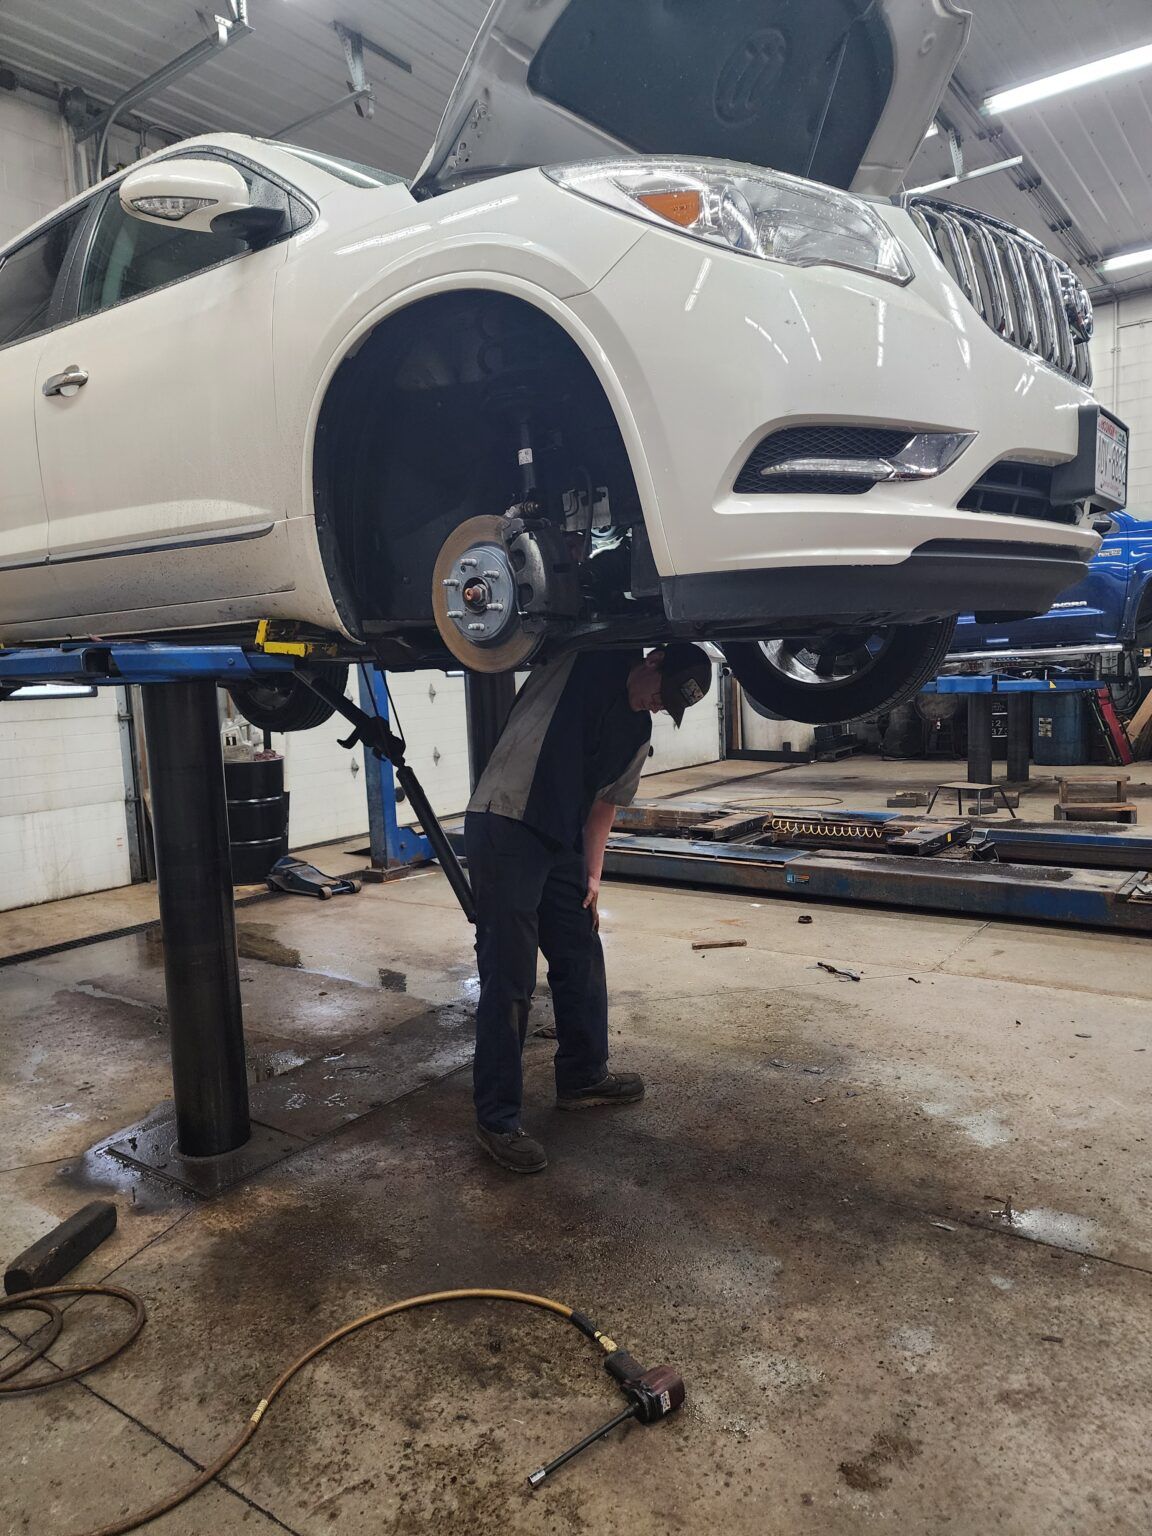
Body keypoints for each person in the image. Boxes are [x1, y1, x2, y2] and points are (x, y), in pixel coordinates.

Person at [464, 642, 713, 1172]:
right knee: (509, 976)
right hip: (506, 822)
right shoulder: (588, 657)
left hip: (559, 839)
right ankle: (497, 1119)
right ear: (652, 661)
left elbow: (604, 804)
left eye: (668, 706)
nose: (655, 705)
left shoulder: (637, 734)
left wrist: (593, 875)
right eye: (660, 692)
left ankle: (582, 1075)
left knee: (579, 947)